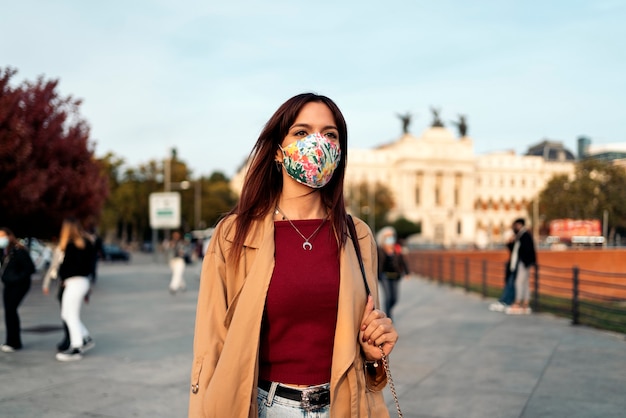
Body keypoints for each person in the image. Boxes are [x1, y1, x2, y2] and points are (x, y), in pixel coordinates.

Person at [189, 93, 398, 417]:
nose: (318, 143)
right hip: (265, 407)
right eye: (302, 132)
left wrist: (373, 350)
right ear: (277, 150)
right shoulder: (233, 234)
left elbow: (363, 342)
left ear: (340, 152)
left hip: (342, 407)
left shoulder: (358, 236)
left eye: (330, 134)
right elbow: (210, 346)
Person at [42, 218, 96, 361]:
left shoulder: (70, 246)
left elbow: (65, 268)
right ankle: (84, 337)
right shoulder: (87, 243)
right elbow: (90, 266)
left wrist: (65, 277)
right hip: (82, 281)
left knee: (69, 315)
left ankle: (76, 347)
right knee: (67, 314)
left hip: (73, 282)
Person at [0, 227, 35, 352]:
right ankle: (11, 341)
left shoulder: (19, 251)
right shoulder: (5, 251)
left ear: (10, 236)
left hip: (19, 285)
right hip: (8, 285)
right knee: (9, 312)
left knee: (11, 310)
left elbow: (30, 268)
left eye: (2, 236)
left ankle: (14, 342)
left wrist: (16, 278)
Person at [505, 218, 537, 315]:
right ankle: (525, 304)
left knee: (519, 282)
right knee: (524, 283)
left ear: (519, 225)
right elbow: (513, 248)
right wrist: (510, 242)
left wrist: (525, 261)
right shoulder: (521, 235)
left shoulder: (524, 235)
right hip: (523, 262)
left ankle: (518, 302)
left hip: (523, 262)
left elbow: (526, 250)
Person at [376, 226, 408, 320]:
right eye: (387, 236)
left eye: (391, 236)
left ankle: (388, 310)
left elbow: (402, 261)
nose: (390, 238)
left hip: (395, 275)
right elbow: (377, 262)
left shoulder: (397, 248)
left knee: (394, 298)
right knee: (388, 297)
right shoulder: (379, 249)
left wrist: (407, 272)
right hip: (384, 275)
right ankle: (388, 316)